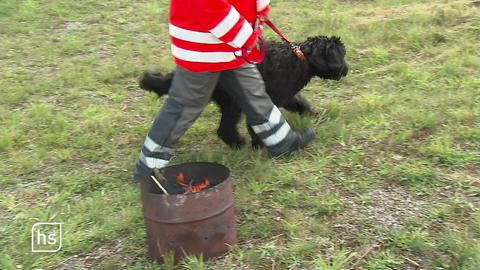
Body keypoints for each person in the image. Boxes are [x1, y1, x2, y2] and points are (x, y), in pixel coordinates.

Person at [133, 0, 315, 182]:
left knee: (254, 92)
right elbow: (208, 5)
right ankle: (149, 168)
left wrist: (259, 8)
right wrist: (245, 36)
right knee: (184, 106)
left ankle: (281, 141)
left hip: (232, 44)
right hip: (203, 42)